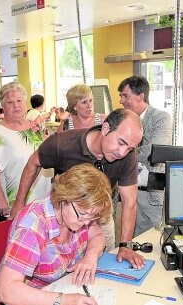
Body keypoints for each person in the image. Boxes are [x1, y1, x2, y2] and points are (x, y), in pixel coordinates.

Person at [10, 108, 145, 268]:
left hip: (98, 216)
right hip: (65, 215)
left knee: (101, 263)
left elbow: (129, 201)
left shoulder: (127, 155)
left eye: (129, 148)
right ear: (106, 128)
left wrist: (125, 246)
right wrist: (19, 202)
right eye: (121, 143)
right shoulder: (62, 143)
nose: (123, 152)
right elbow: (33, 163)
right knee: (57, 265)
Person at [0, 164, 112, 305]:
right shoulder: (32, 226)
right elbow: (6, 291)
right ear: (63, 199)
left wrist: (90, 256)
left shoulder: (81, 214)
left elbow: (97, 235)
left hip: (61, 286)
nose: (87, 223)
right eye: (83, 214)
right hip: (30, 301)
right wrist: (64, 303)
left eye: (93, 216)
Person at [0, 82, 52, 221]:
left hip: (43, 199)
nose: (16, 105)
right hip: (15, 204)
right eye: (10, 102)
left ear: (25, 102)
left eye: (19, 100)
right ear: (3, 107)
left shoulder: (35, 127)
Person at [118, 75, 173, 236]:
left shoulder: (161, 118)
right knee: (131, 240)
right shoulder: (122, 119)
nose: (121, 101)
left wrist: (124, 149)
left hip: (152, 193)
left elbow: (153, 151)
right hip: (128, 191)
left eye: (125, 96)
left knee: (154, 239)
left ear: (141, 96)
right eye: (120, 96)